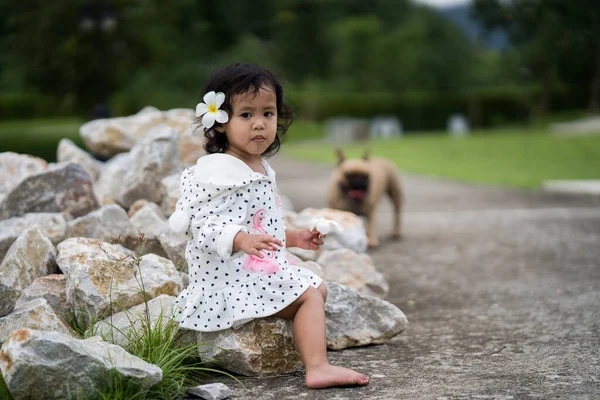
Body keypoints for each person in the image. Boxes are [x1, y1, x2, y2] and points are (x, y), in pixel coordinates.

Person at [169, 63, 370, 389]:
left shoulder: (258, 165)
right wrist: (240, 239)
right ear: (220, 122)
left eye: (268, 113)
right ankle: (317, 366)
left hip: (248, 267)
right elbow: (201, 227)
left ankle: (299, 342)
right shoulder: (219, 173)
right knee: (309, 295)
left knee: (318, 287)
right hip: (227, 279)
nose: (259, 124)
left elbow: (262, 224)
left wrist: (294, 237)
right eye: (246, 115)